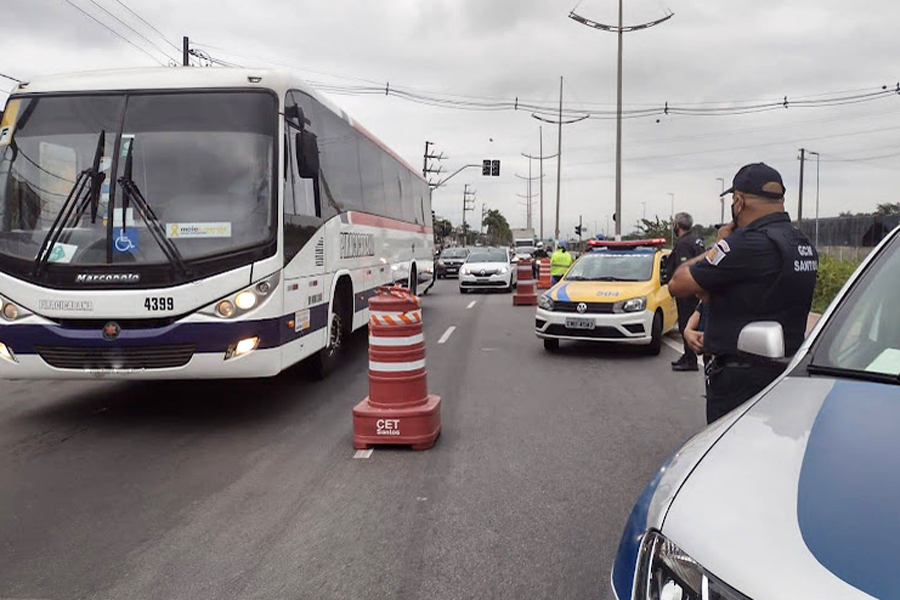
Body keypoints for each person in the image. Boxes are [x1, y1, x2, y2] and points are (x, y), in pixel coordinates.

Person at [668, 162, 818, 424]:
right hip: (785, 372)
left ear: (738, 201)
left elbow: (678, 282)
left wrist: (722, 244)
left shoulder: (746, 244)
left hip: (740, 380)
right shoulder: (801, 242)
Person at [666, 212, 706, 372]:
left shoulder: (683, 244)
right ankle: (687, 355)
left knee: (686, 324)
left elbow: (684, 267)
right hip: (697, 290)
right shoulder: (696, 240)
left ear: (677, 225)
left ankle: (690, 359)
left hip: (688, 292)